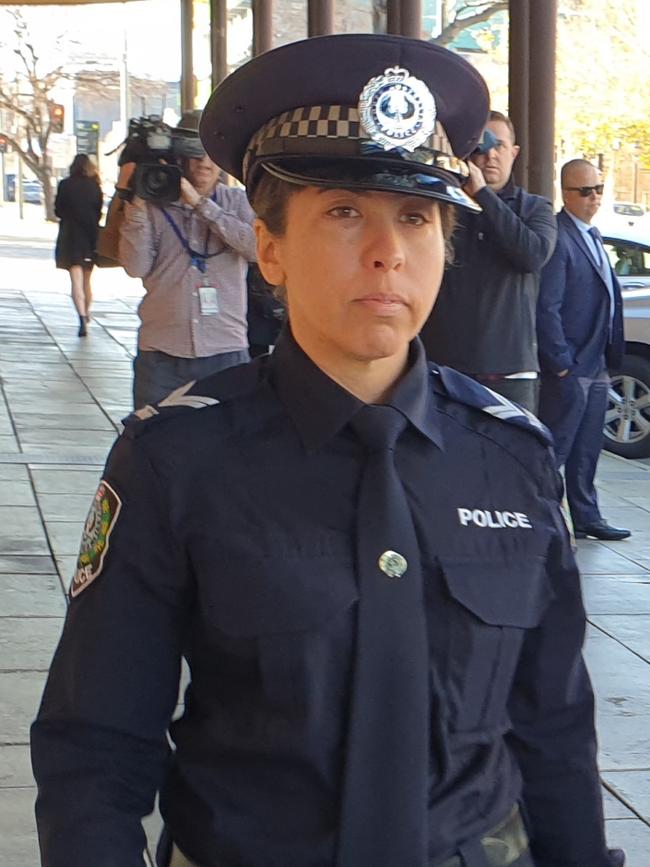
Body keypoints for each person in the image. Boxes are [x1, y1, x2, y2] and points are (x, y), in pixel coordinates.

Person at [31, 35, 624, 867]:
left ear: (443, 248)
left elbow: (555, 727)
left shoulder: (512, 457)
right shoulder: (177, 459)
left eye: (416, 218)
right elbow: (95, 743)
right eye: (344, 212)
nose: (386, 252)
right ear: (270, 249)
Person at [117, 111, 256, 409]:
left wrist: (200, 205)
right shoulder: (152, 206)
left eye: (210, 154)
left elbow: (255, 249)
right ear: (178, 156)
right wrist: (137, 202)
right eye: (193, 153)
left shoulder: (238, 203)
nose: (203, 162)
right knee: (151, 441)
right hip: (161, 354)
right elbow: (134, 267)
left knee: (229, 446)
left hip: (225, 350)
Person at [420, 111, 557, 413]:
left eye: (500, 146)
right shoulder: (445, 206)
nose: (490, 156)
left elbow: (531, 255)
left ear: (514, 153)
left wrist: (483, 194)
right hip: (442, 368)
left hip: (509, 372)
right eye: (481, 147)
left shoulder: (535, 208)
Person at [537, 159, 630, 542]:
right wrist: (561, 364)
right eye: (585, 191)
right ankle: (539, 517)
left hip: (597, 362)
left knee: (587, 448)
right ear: (566, 194)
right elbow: (547, 307)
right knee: (557, 448)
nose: (594, 198)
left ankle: (587, 516)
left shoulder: (592, 236)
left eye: (599, 189)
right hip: (572, 366)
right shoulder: (559, 237)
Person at [54, 153, 103, 337]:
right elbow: (98, 212)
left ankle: (81, 317)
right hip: (90, 236)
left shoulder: (65, 184)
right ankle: (86, 312)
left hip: (70, 236)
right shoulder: (95, 186)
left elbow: (58, 210)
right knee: (87, 281)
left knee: (75, 280)